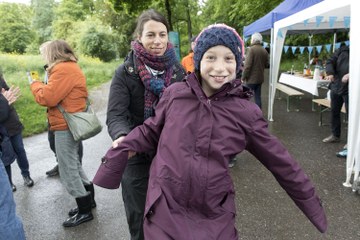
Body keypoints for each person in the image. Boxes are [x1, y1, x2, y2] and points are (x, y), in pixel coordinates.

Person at [93, 24, 327, 239]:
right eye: (210, 57)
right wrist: (124, 148)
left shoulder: (246, 113)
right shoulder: (175, 94)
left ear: (238, 63)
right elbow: (151, 130)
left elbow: (282, 163)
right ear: (198, 60)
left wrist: (312, 205)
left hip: (214, 212)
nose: (219, 68)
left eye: (228, 59)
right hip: (165, 206)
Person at [106, 9, 186, 240]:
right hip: (136, 154)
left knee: (174, 218)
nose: (158, 41)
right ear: (139, 37)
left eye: (162, 34)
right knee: (141, 220)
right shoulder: (125, 72)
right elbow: (116, 115)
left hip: (172, 154)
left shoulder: (179, 71)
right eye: (151, 35)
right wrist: (122, 135)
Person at [30, 40, 95, 227]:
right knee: (73, 163)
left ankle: (84, 211)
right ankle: (88, 201)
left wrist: (35, 84)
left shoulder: (63, 69)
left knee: (67, 169)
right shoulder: (69, 67)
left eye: (44, 52)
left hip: (65, 125)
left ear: (53, 53)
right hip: (69, 122)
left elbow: (47, 97)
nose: (43, 56)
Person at [0, 74, 34, 190]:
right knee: (5, 156)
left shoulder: (0, 79)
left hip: (11, 122)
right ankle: (8, 182)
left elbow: (10, 97)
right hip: (1, 128)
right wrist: (4, 101)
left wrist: (6, 100)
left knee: (19, 149)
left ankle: (26, 175)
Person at [0, 91, 26, 240]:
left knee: (20, 152)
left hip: (12, 128)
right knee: (5, 214)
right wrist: (3, 103)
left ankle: (25, 175)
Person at [322, 44, 349, 143]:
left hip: (351, 88)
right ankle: (335, 135)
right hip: (336, 85)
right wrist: (330, 73)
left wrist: (351, 74)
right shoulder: (343, 49)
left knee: (350, 115)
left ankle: (350, 142)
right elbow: (330, 61)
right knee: (334, 112)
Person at [241, 32, 269, 109]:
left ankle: (246, 115)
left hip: (251, 79)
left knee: (246, 98)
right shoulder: (264, 51)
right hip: (259, 79)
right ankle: (258, 114)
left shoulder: (251, 50)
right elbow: (267, 65)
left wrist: (243, 77)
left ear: (253, 40)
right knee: (258, 97)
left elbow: (247, 66)